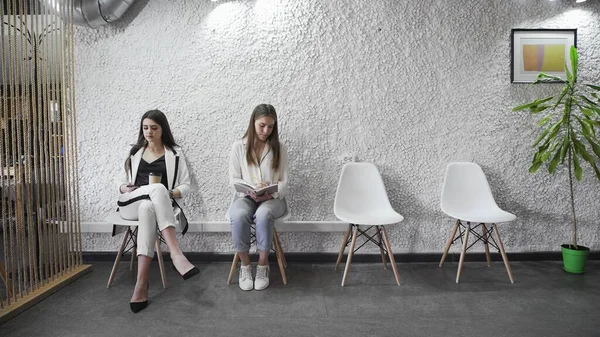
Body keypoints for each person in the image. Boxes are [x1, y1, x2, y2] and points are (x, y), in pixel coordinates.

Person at [116, 109, 199, 313]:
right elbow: (119, 182)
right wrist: (124, 187)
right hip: (131, 202)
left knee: (149, 207)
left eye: (154, 128)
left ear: (163, 130)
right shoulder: (134, 151)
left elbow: (186, 185)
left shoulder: (175, 154)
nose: (149, 132)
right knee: (156, 190)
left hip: (153, 206)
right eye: (145, 128)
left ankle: (141, 284)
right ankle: (176, 253)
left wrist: (170, 193)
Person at [228, 104, 288, 291]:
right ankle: (245, 267)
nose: (266, 130)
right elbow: (233, 178)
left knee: (263, 215)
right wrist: (248, 191)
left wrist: (271, 193)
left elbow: (284, 180)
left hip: (272, 199)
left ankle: (263, 266)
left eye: (270, 127)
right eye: (262, 125)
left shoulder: (279, 148)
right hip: (245, 197)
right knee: (238, 215)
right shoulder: (239, 147)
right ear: (253, 122)